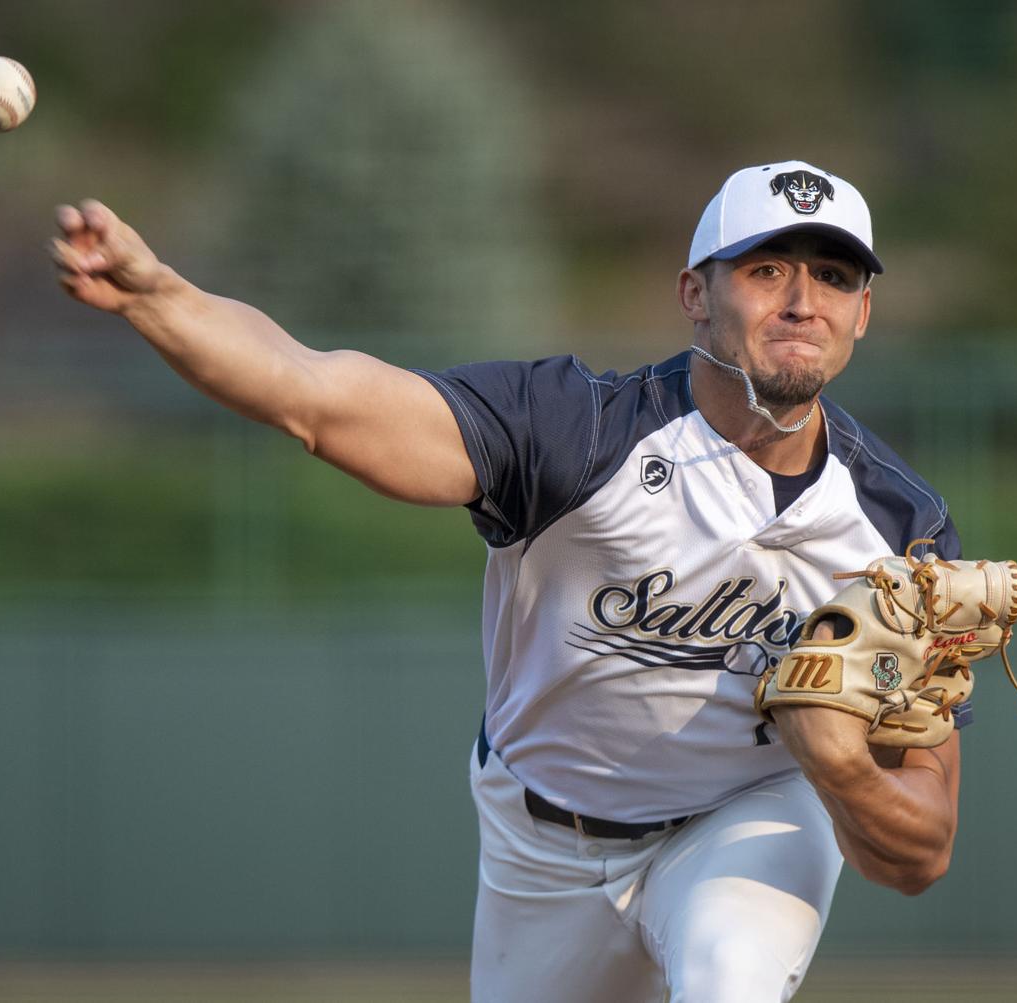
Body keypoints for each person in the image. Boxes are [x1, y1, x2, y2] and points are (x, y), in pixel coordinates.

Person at [50, 159, 963, 1003]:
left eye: (835, 277)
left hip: (746, 818)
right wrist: (160, 299)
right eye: (767, 270)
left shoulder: (901, 534)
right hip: (542, 846)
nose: (804, 301)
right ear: (695, 292)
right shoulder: (577, 433)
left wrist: (842, 771)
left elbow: (920, 850)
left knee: (731, 976)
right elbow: (315, 396)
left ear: (864, 313)